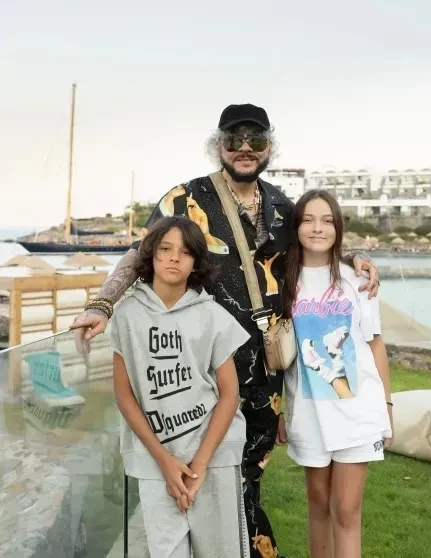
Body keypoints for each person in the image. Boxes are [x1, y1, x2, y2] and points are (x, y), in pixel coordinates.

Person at [71, 103, 380, 558]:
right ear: (219, 146)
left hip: (267, 371)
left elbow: (316, 241)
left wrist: (353, 258)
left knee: (249, 470)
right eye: (234, 139)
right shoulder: (186, 199)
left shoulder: (282, 206)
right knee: (203, 467)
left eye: (257, 139)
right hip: (202, 365)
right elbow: (142, 254)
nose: (245, 148)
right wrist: (103, 303)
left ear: (269, 147)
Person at [111, 216, 251, 557]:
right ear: (151, 254)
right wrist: (164, 461)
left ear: (196, 261)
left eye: (186, 252)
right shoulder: (126, 315)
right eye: (165, 249)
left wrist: (199, 465)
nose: (175, 258)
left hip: (212, 457)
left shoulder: (213, 316)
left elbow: (229, 395)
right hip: (155, 459)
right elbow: (124, 396)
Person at [281, 190, 393, 558]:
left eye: (327, 220)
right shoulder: (282, 280)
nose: (318, 228)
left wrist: (387, 406)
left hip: (357, 411)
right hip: (308, 411)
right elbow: (279, 350)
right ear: (296, 226)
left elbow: (375, 344)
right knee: (318, 505)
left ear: (338, 227)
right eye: (308, 220)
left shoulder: (357, 279)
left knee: (346, 510)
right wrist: (279, 408)